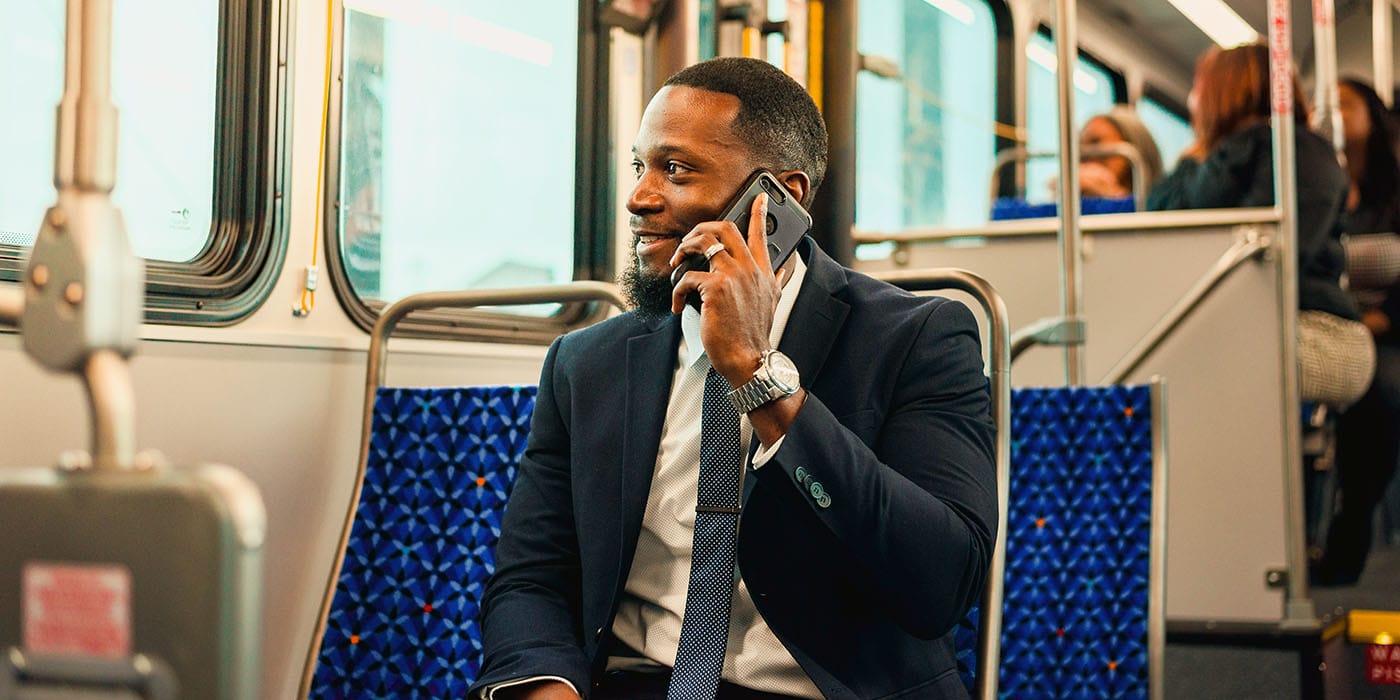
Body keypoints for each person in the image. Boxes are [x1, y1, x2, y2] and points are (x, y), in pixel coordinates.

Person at [469, 57, 997, 700]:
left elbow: (939, 584)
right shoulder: (586, 363)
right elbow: (532, 577)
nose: (639, 197)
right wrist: (546, 688)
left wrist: (757, 374)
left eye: (675, 169)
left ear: (779, 199)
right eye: (639, 167)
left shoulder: (917, 338)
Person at [1147, 43, 1375, 409]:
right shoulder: (1213, 163)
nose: (1192, 101)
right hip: (1258, 324)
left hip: (1318, 329)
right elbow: (1158, 221)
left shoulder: (1299, 152)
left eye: (1199, 88)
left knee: (1178, 358)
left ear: (1223, 92)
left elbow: (1279, 258)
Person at [1313, 77, 1400, 585]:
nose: (1334, 112)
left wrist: (1377, 320)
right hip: (1331, 321)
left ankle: (1352, 524)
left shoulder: (1394, 193)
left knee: (1380, 388)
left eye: (1344, 104)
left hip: (1386, 328)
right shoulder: (1317, 183)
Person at [1079, 106, 1164, 200]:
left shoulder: (1160, 201)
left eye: (1095, 142)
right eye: (1080, 146)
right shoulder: (1077, 199)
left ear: (1131, 143)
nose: (1084, 154)